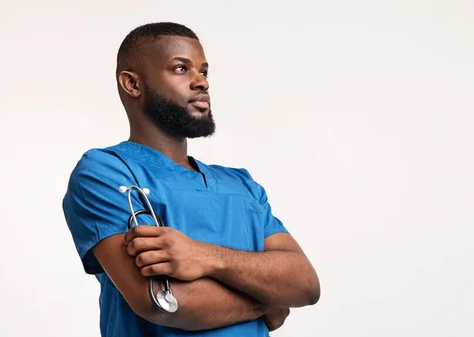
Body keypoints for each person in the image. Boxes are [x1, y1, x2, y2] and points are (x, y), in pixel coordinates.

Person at [61, 22, 320, 337]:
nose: (201, 82)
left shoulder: (241, 185)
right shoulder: (107, 171)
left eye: (204, 72)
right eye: (181, 68)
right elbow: (163, 303)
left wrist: (203, 256)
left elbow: (305, 284)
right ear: (132, 84)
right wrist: (268, 300)